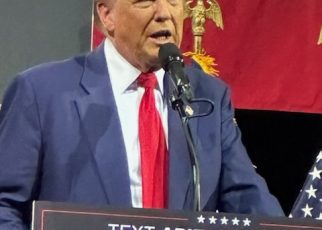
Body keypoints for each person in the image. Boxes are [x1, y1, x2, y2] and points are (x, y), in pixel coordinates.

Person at [0, 0, 284, 228]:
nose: (164, 13)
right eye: (146, 1)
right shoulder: (41, 92)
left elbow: (248, 198)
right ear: (107, 15)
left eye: (174, 1)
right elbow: (5, 204)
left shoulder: (208, 95)